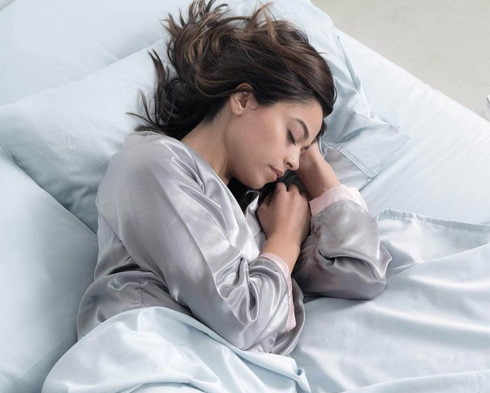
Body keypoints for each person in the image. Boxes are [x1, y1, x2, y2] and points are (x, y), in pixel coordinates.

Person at [76, 0, 392, 356]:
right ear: (242, 99)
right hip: (151, 370)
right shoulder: (151, 165)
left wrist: (312, 161)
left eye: (301, 149)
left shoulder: (258, 214)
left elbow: (361, 273)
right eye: (291, 134)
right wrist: (286, 240)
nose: (291, 159)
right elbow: (242, 318)